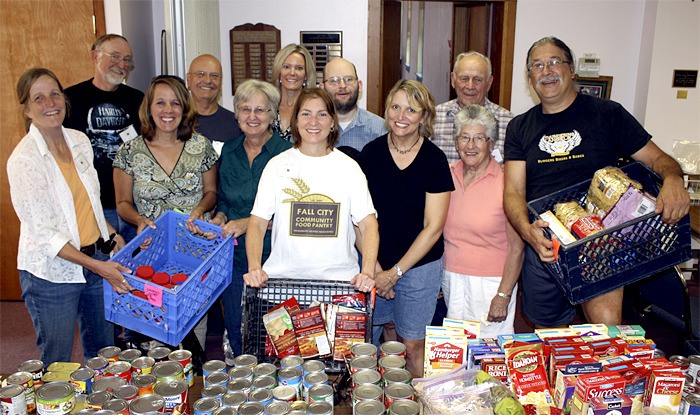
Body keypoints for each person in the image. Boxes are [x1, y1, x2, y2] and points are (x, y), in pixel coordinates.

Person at [503, 36, 690, 328]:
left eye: (554, 62)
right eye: (537, 66)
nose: (546, 71)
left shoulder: (607, 114)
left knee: (605, 332)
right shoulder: (519, 127)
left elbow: (658, 160)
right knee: (548, 335)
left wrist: (674, 179)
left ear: (572, 69)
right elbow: (513, 191)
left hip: (600, 243)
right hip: (544, 243)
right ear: (530, 78)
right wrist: (527, 232)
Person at [8, 68, 132, 366]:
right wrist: (98, 267)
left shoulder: (79, 141)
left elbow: (89, 201)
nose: (50, 103)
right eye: (38, 98)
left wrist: (112, 236)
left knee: (104, 353)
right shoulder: (24, 160)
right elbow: (46, 234)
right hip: (52, 274)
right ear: (26, 108)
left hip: (96, 261)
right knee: (58, 360)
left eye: (54, 94)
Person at [113, 76, 219, 351]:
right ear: (149, 108)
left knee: (194, 323)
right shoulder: (130, 151)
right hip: (151, 252)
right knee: (153, 322)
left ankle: (193, 382)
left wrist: (200, 208)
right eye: (160, 102)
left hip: (195, 247)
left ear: (184, 109)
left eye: (175, 103)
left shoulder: (201, 146)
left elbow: (211, 193)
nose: (167, 110)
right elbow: (122, 202)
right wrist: (138, 220)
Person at [359, 80, 454, 377]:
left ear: (424, 117)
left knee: (412, 344)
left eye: (411, 109)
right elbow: (360, 219)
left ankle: (418, 404)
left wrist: (395, 273)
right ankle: (391, 399)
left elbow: (433, 228)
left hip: (419, 268)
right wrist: (375, 269)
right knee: (387, 336)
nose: (401, 115)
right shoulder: (370, 154)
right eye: (395, 107)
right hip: (376, 263)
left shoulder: (435, 160)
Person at [243, 88, 378, 294]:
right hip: (282, 288)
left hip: (339, 288)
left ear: (333, 122)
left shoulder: (349, 168)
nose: (313, 121)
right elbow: (258, 223)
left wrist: (367, 272)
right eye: (306, 114)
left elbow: (368, 224)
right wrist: (254, 268)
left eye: (322, 114)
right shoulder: (276, 165)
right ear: (296, 121)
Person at [209, 79, 291, 365]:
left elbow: (292, 213)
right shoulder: (228, 152)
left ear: (272, 115)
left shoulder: (287, 154)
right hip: (233, 259)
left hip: (275, 260)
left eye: (260, 110)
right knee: (237, 330)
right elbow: (222, 199)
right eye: (246, 109)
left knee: (278, 335)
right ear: (236, 113)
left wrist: (247, 223)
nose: (252, 117)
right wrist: (219, 216)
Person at [441, 105, 524, 337]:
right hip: (452, 279)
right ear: (456, 142)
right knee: (454, 352)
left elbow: (517, 247)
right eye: (464, 137)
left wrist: (504, 294)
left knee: (490, 356)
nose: (470, 145)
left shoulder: (507, 182)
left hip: (492, 283)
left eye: (479, 138)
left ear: (491, 143)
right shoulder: (446, 176)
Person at [64, 34, 143, 242]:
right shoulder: (70, 100)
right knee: (99, 270)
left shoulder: (138, 100)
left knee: (134, 269)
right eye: (115, 56)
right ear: (95, 56)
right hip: (92, 208)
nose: (121, 64)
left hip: (133, 209)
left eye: (127, 60)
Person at [433, 51, 514, 163]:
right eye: (464, 78)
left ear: (489, 83)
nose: (470, 86)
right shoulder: (433, 119)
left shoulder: (509, 123)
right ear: (453, 80)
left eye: (477, 80)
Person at [319, 57, 386, 151]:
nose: (342, 85)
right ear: (322, 88)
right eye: (334, 80)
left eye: (348, 79)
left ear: (359, 86)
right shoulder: (311, 128)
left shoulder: (381, 130)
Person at [186, 54, 242, 155]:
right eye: (200, 74)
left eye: (214, 76)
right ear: (188, 79)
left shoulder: (236, 124)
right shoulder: (177, 121)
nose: (208, 80)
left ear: (220, 83)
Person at [271, 44, 316, 142]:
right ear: (279, 71)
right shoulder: (268, 106)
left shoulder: (313, 110)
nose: (292, 73)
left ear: (306, 75)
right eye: (286, 67)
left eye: (299, 68)